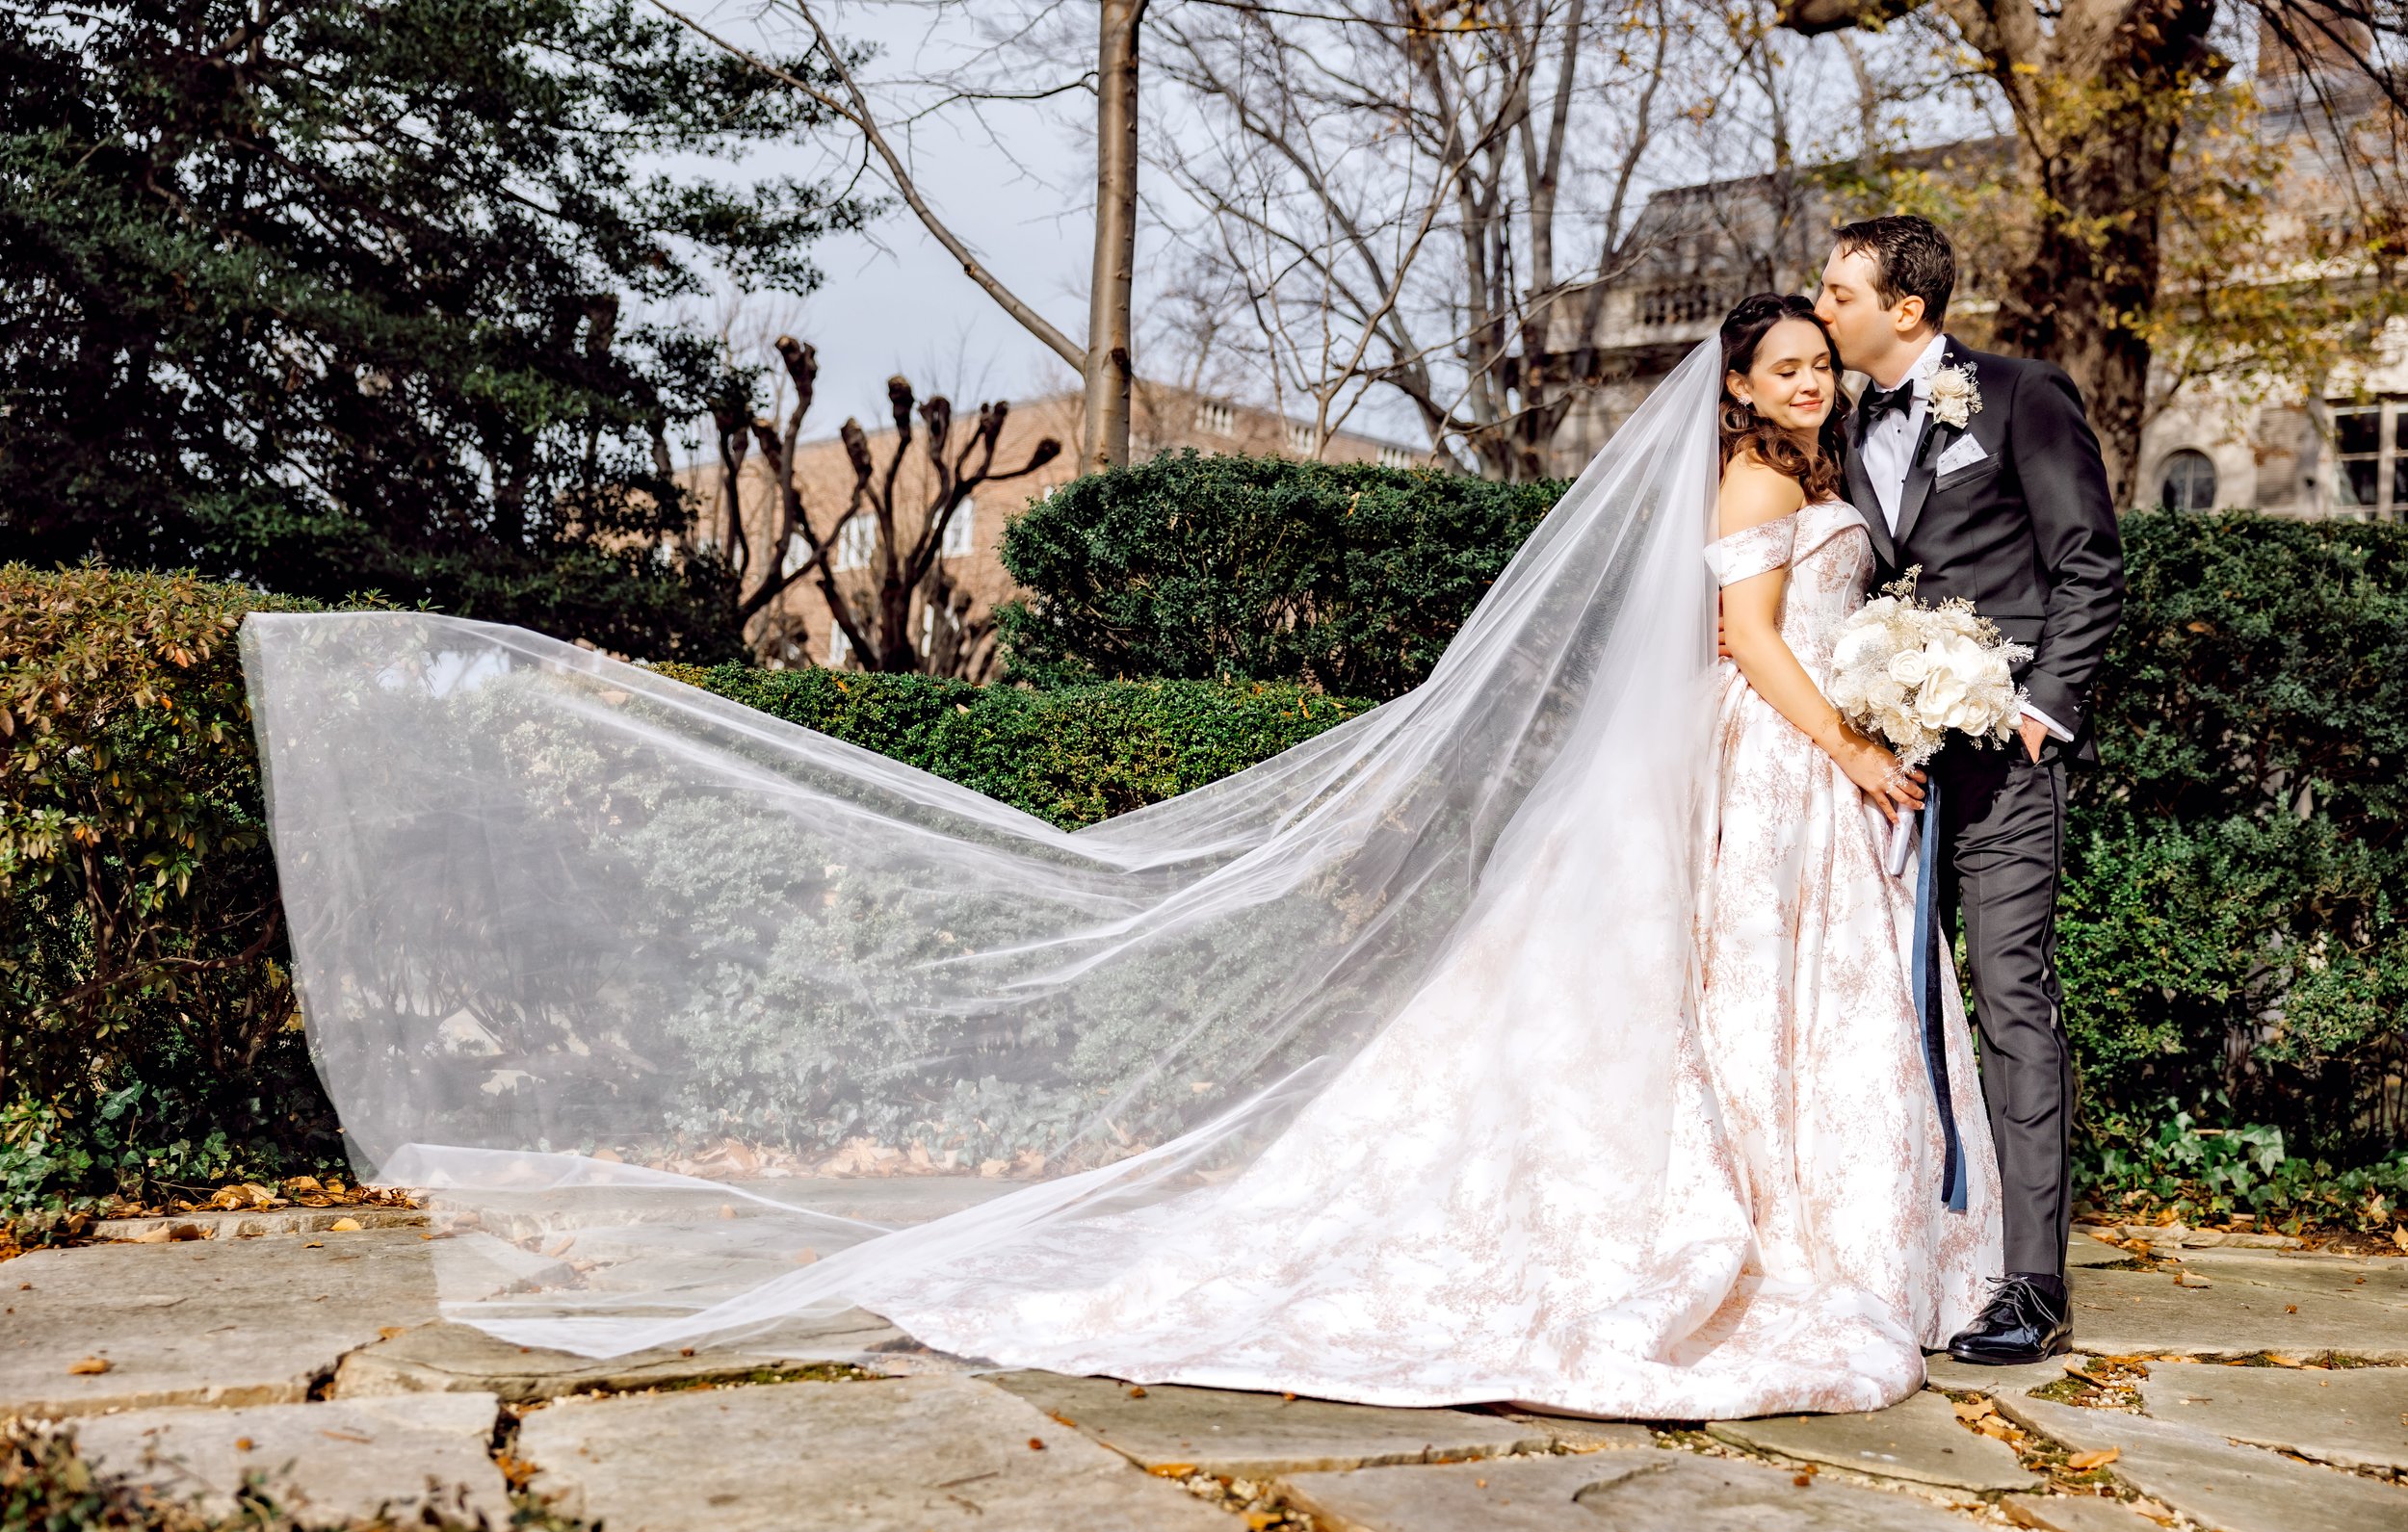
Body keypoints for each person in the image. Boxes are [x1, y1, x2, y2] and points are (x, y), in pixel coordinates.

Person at [240, 294, 1999, 1418]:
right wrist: (1856, 732)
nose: (1805, 379)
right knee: (1742, 998)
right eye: (1782, 364)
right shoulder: (1757, 490)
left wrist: (1884, 702)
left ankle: (1821, 1227)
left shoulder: (1819, 468)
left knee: (1766, 1000)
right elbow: (1753, 648)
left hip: (1796, 776)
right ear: (1740, 388)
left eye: (1816, 363)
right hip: (1780, 762)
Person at [1815, 216, 2125, 1364]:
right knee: (1879, 1001)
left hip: (2004, 757)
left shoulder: (2020, 393)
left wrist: (2043, 708)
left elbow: (2086, 558)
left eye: (1839, 290)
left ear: (1905, 307)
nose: (1822, 305)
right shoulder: (1840, 423)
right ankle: (1905, 1247)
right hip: (1886, 766)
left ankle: (2032, 1283)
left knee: (2008, 991)